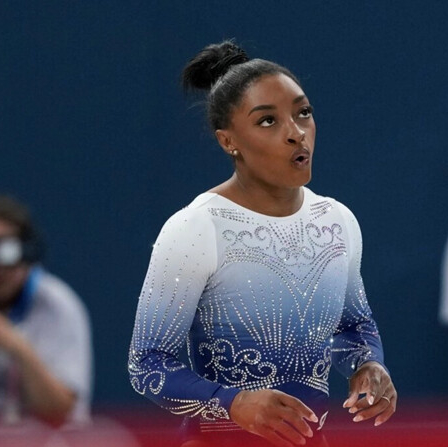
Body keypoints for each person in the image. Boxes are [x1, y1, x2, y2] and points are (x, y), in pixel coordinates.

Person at [127, 41, 397, 447]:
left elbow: (353, 326)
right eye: (268, 121)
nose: (296, 134)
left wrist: (368, 364)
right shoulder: (196, 228)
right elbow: (147, 366)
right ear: (228, 141)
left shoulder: (337, 221)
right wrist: (231, 402)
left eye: (303, 113)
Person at [0, 194, 92, 427]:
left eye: (6, 251)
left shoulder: (57, 305)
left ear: (27, 250)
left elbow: (60, 412)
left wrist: (13, 343)